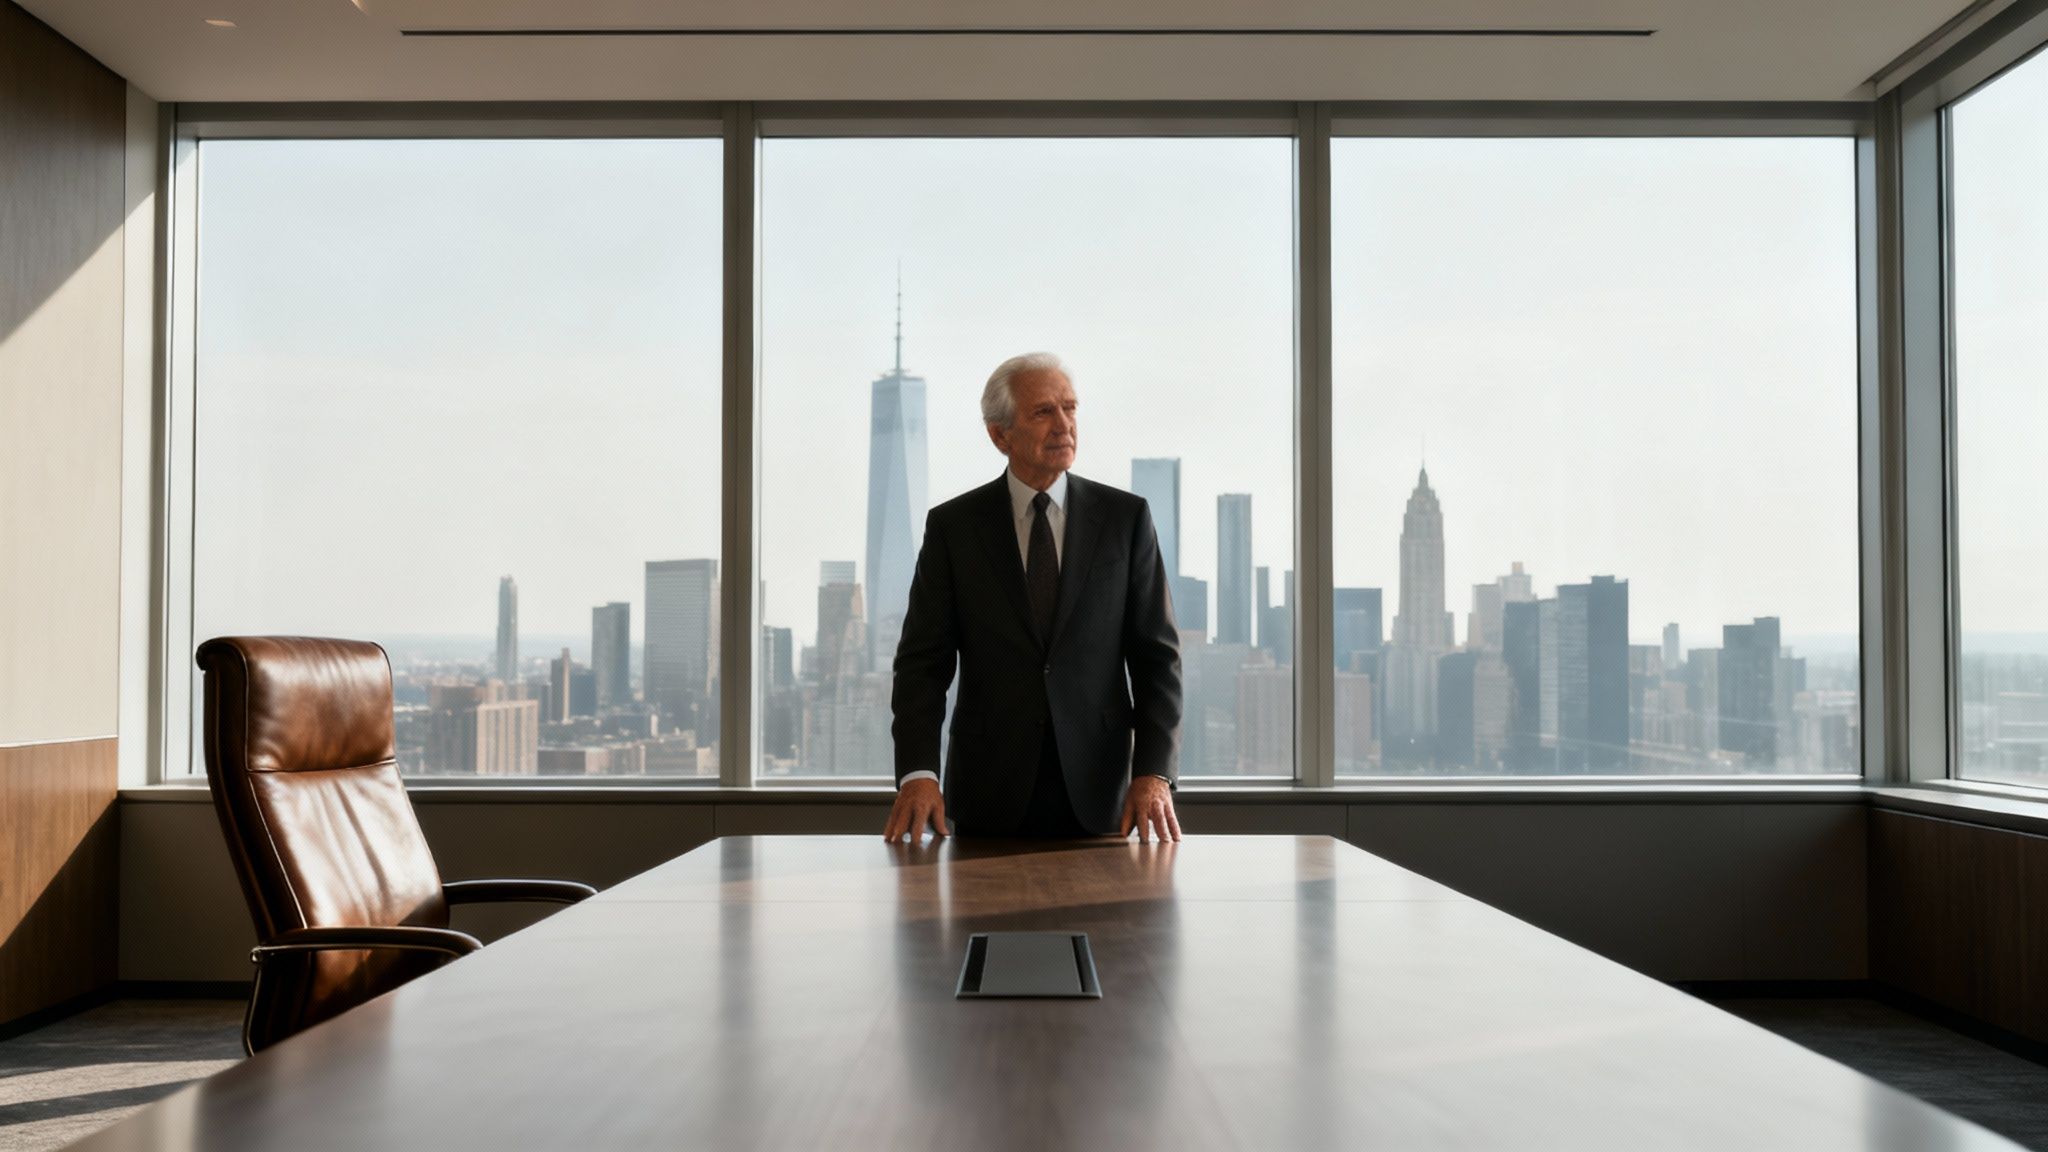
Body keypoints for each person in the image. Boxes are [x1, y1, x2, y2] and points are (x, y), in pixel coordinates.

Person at [884, 352, 1183, 842]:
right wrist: (919, 773)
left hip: (1103, 793)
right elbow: (922, 663)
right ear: (1000, 435)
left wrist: (1154, 774)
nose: (1064, 425)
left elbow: (1158, 659)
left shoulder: (1125, 519)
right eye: (1044, 412)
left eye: (1070, 408)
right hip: (988, 793)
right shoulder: (953, 528)